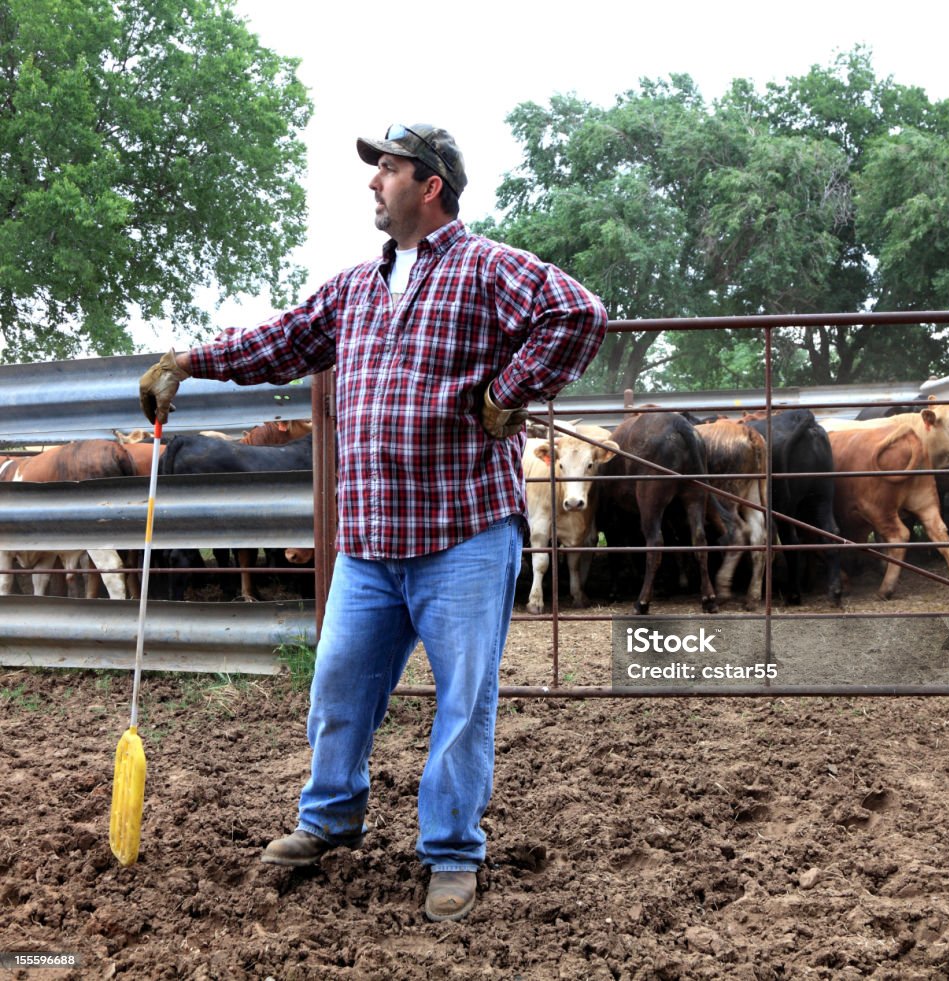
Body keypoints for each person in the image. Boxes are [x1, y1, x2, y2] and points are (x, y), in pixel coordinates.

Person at [139, 123, 607, 922]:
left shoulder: (487, 267)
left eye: (386, 168)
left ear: (429, 184)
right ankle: (328, 821)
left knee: (464, 700)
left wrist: (507, 392)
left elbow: (579, 312)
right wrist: (190, 359)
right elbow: (280, 341)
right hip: (371, 539)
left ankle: (452, 851)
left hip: (463, 529)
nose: (372, 182)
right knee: (339, 684)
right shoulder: (355, 287)